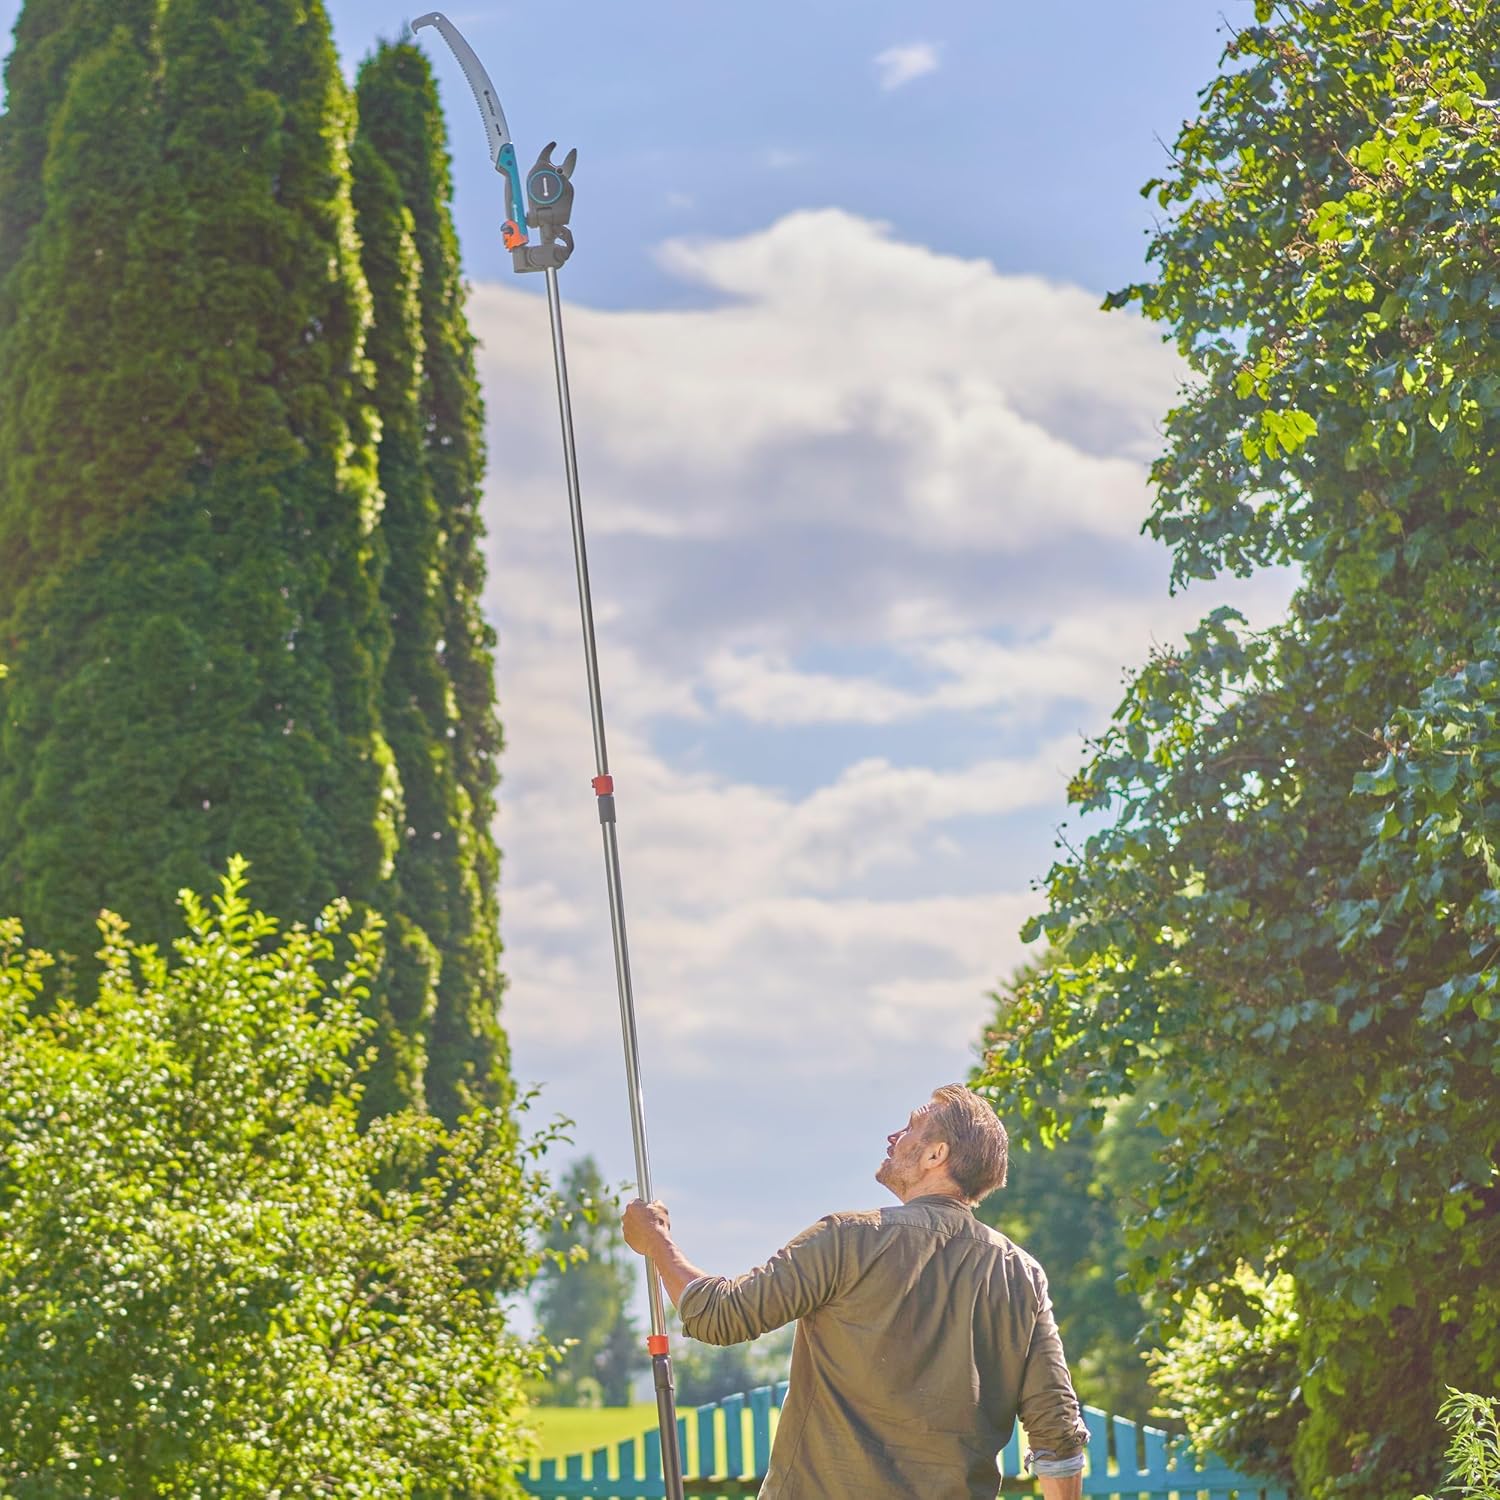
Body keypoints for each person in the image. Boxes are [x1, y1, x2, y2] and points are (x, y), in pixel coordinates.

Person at [622, 1083, 1089, 1500]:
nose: (893, 1138)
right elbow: (1058, 1431)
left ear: (935, 1155)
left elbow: (721, 1315)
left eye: (910, 1128)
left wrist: (657, 1241)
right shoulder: (1020, 1274)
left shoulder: (848, 1239)